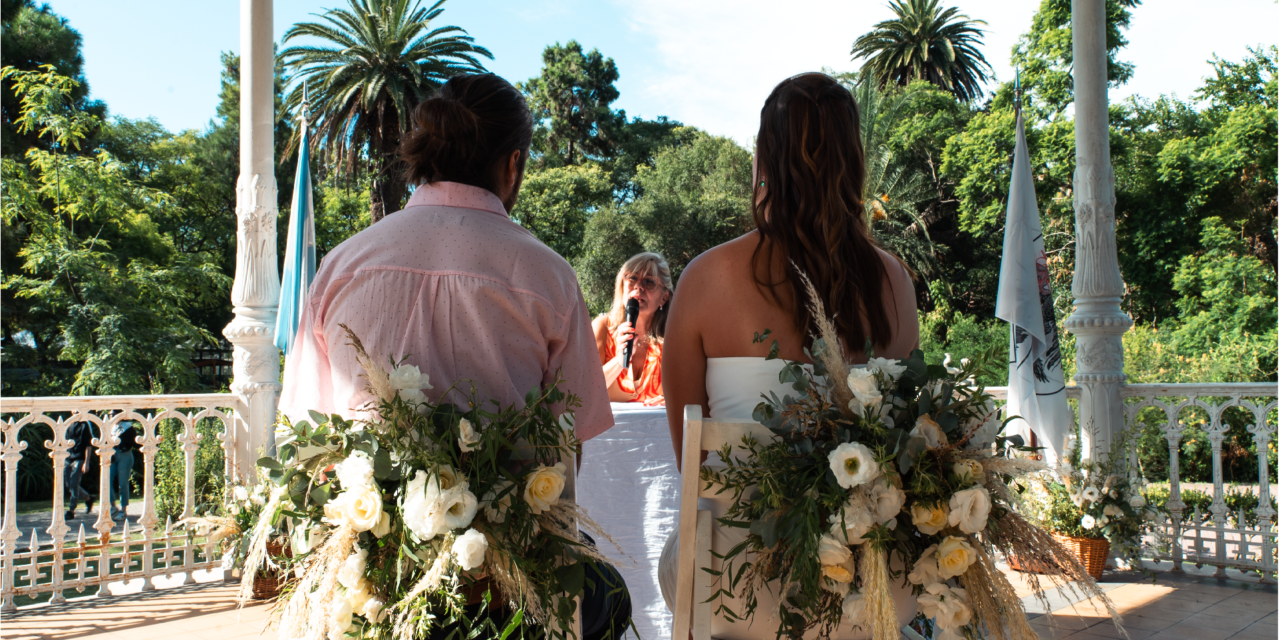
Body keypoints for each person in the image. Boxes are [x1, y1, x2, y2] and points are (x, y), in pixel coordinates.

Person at [278, 73, 627, 640]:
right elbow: (566, 455)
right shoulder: (549, 276)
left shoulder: (343, 265)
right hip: (511, 592)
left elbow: (306, 437)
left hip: (372, 586)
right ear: (512, 164)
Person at [657, 73, 921, 639]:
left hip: (735, 590)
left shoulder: (705, 279)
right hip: (868, 591)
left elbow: (691, 461)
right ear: (854, 160)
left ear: (763, 159)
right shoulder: (894, 282)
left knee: (678, 555)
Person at [591, 252, 673, 406]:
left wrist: (675, 399)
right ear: (622, 287)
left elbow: (694, 392)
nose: (638, 286)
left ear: (664, 297)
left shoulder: (674, 338)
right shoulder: (602, 327)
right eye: (632, 278)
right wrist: (618, 361)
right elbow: (585, 391)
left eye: (649, 281)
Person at [64, 420, 95, 520]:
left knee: (73, 483)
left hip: (79, 458)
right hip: (68, 457)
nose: (76, 411)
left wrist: (86, 462)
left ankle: (71, 510)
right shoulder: (68, 423)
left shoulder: (84, 424)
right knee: (69, 484)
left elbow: (88, 445)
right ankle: (88, 498)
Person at [109, 420, 139, 522]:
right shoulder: (110, 426)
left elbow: (133, 441)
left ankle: (123, 510)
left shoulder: (127, 426)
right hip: (113, 454)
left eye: (114, 414)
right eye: (110, 415)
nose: (112, 417)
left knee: (123, 483)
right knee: (107, 479)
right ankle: (113, 507)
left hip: (124, 455)